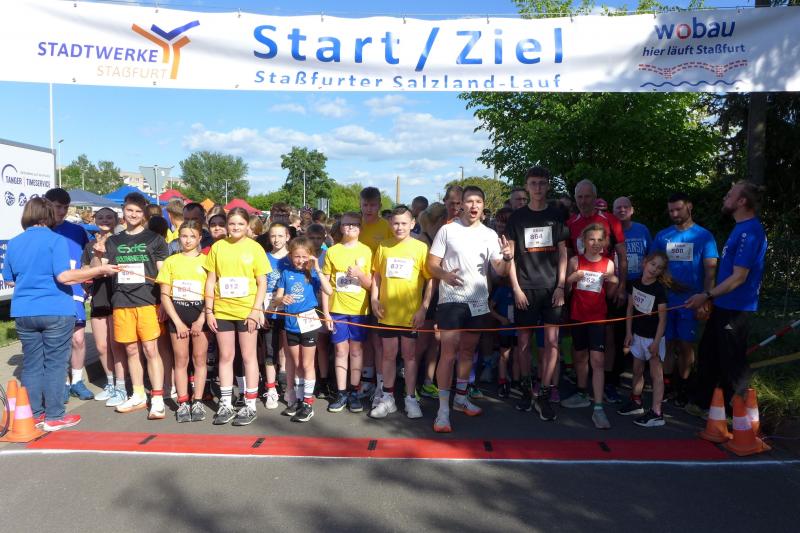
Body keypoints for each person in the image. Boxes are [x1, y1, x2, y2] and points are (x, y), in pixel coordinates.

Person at [3, 197, 118, 431]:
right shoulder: (56, 240)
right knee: (55, 364)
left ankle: (35, 414)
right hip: (55, 308)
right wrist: (98, 270)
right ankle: (54, 415)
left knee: (32, 364)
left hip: (24, 310)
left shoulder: (14, 243)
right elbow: (64, 276)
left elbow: (9, 279)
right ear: (48, 214)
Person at [427, 185, 514, 433]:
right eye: (469, 201)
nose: (474, 205)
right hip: (451, 300)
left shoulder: (490, 234)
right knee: (448, 353)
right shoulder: (448, 230)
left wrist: (508, 258)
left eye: (478, 201)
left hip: (478, 302)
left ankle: (461, 397)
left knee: (467, 352)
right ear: (462, 205)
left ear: (483, 206)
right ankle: (443, 410)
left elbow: (500, 271)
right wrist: (444, 274)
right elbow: (431, 264)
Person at [685, 181, 767, 416]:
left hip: (736, 308)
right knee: (708, 354)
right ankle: (703, 404)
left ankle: (738, 416)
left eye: (730, 195)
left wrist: (706, 295)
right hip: (722, 305)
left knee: (732, 362)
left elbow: (739, 277)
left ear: (742, 201)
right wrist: (712, 299)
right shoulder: (740, 228)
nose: (725, 198)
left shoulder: (750, 232)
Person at [96, 193, 169, 419]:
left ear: (144, 214)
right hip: (121, 301)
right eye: (130, 210)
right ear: (123, 212)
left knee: (150, 349)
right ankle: (138, 395)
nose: (134, 214)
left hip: (147, 301)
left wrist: (164, 300)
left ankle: (157, 398)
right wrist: (97, 254)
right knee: (130, 349)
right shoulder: (113, 241)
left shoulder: (155, 239)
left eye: (138, 211)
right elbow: (99, 270)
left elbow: (164, 273)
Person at [505, 166, 568, 421]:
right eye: (533, 183)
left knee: (552, 343)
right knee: (523, 343)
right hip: (525, 288)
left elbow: (563, 253)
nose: (538, 188)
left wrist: (561, 286)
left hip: (552, 289)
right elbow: (510, 256)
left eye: (542, 183)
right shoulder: (517, 217)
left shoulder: (556, 215)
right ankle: (526, 389)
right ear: (527, 186)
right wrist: (516, 289)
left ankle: (543, 391)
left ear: (548, 185)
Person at [204, 207, 269, 426]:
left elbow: (262, 283)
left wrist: (255, 311)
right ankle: (226, 403)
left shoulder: (255, 248)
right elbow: (211, 281)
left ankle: (250, 404)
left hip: (247, 311)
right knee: (226, 356)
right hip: (222, 310)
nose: (235, 227)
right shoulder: (218, 247)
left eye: (240, 224)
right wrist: (209, 310)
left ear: (247, 225)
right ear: (226, 225)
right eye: (232, 224)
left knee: (249, 356)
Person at [653, 192, 718, 407]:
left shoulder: (704, 236)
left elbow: (710, 271)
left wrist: (707, 299)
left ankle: (683, 387)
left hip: (691, 301)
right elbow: (653, 264)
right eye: (671, 210)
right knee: (667, 344)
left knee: (686, 345)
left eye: (678, 209)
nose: (674, 214)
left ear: (689, 207)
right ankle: (667, 386)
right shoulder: (663, 236)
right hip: (666, 301)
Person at [566, 179, 627, 403]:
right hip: (581, 290)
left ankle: (608, 383)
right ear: (575, 199)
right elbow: (568, 257)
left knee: (608, 336)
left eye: (588, 196)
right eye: (579, 197)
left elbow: (622, 255)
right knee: (579, 341)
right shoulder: (571, 223)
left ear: (595, 197)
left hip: (606, 285)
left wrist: (621, 285)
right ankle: (581, 385)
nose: (584, 201)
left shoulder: (610, 220)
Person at [370, 205, 433, 419]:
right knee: (388, 355)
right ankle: (387, 398)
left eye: (404, 223)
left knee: (410, 356)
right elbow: (377, 276)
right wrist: (374, 299)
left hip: (410, 314)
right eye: (396, 223)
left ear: (412, 224)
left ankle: (410, 398)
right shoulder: (383, 246)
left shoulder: (420, 247)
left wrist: (424, 308)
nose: (399, 227)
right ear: (390, 223)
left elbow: (430, 280)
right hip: (387, 313)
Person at [563, 223, 618, 429]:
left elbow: (609, 295)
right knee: (580, 357)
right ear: (584, 241)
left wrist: (613, 281)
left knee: (598, 360)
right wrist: (570, 279)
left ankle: (599, 407)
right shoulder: (575, 261)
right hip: (578, 316)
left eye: (599, 240)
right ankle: (581, 392)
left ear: (605, 242)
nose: (595, 243)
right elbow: (565, 291)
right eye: (591, 239)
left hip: (598, 318)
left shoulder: (608, 263)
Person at [273, 237, 333, 422]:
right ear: (291, 256)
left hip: (308, 322)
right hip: (291, 322)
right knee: (296, 362)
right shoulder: (286, 273)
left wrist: (317, 268)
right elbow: (276, 299)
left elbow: (329, 291)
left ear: (311, 256)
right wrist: (281, 299)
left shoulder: (312, 274)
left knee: (307, 364)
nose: (300, 260)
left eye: (304, 257)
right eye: (296, 256)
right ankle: (299, 400)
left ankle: (308, 403)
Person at [156, 220, 209, 423]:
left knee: (199, 359)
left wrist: (201, 319)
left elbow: (211, 294)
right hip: (177, 315)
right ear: (179, 238)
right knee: (180, 360)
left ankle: (198, 400)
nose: (188, 240)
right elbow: (165, 295)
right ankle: (183, 401)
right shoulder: (171, 261)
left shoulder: (207, 261)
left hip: (200, 315)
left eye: (192, 236)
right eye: (184, 236)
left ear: (199, 238)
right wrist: (177, 322)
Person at [43, 188, 93, 402]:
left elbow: (88, 257)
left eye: (65, 207)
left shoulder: (77, 231)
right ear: (47, 205)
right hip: (50, 292)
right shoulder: (40, 231)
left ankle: (77, 381)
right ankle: (61, 382)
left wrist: (87, 282)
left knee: (78, 338)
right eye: (58, 207)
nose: (62, 211)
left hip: (74, 290)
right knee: (57, 341)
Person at [321, 212, 373, 413]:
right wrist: (326, 313)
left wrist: (359, 275)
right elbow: (326, 285)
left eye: (354, 224)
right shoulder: (332, 251)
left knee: (356, 351)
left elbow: (371, 285)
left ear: (360, 227)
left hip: (360, 310)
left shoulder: (367, 251)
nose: (350, 228)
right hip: (337, 309)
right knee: (340, 351)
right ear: (340, 227)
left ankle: (354, 391)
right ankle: (341, 392)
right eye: (346, 224)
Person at [80, 208, 126, 407]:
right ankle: (110, 383)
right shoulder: (89, 246)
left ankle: (121, 386)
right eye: (100, 217)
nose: (104, 220)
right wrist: (97, 256)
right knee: (101, 346)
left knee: (117, 345)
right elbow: (88, 271)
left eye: (108, 217)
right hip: (98, 298)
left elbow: (112, 271)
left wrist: (100, 267)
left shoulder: (122, 242)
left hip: (119, 297)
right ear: (94, 220)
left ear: (116, 220)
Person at [620, 251, 670, 427]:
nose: (654, 269)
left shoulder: (659, 290)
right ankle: (636, 401)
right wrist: (628, 333)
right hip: (637, 336)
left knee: (656, 375)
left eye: (659, 268)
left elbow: (663, 319)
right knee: (637, 370)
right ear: (644, 263)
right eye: (652, 264)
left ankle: (657, 412)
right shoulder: (634, 284)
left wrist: (656, 342)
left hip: (653, 339)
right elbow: (630, 309)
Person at [358, 186, 392, 400]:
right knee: (364, 340)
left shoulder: (386, 227)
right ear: (360, 205)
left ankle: (381, 384)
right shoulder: (355, 225)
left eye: (372, 205)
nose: (369, 209)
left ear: (379, 205)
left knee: (378, 341)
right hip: (355, 291)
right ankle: (366, 379)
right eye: (365, 205)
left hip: (379, 289)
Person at [414, 202, 447, 400]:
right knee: (422, 343)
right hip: (426, 295)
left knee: (435, 341)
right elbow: (428, 277)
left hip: (441, 295)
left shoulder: (437, 239)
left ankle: (428, 382)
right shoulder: (423, 242)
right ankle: (412, 384)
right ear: (441, 220)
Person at [261, 222, 291, 410]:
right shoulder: (264, 257)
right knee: (270, 350)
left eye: (280, 235)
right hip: (269, 310)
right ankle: (271, 388)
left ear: (287, 237)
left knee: (288, 350)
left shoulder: (293, 257)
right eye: (273, 236)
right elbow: (258, 285)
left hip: (289, 312)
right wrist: (260, 311)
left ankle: (287, 383)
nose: (276, 239)